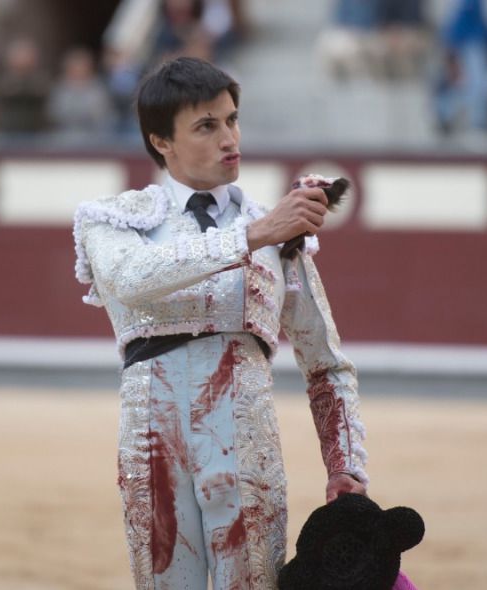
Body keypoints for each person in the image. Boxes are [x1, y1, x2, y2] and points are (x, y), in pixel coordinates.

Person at [72, 57, 368, 589]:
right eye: (207, 126)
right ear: (161, 140)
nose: (229, 138)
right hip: (151, 448)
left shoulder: (282, 234)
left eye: (232, 120)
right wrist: (253, 235)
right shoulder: (114, 219)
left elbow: (326, 364)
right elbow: (131, 278)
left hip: (248, 445)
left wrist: (345, 465)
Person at [434, 0, 487, 133]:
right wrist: (451, 54)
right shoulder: (458, 6)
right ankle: (447, 117)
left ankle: (477, 122)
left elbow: (483, 23)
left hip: (475, 45)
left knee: (477, 85)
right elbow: (450, 27)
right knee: (458, 84)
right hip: (460, 46)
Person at [48, 47, 114, 139]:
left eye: (82, 67)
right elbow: (54, 113)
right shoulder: (60, 89)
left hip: (93, 138)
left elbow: (103, 114)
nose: (78, 70)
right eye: (75, 67)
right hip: (64, 138)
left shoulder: (97, 88)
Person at [0, 37, 50, 135]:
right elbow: (4, 94)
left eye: (26, 56)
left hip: (36, 132)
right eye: (20, 56)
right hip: (9, 131)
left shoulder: (40, 79)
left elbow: (40, 94)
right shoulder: (5, 80)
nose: (23, 61)